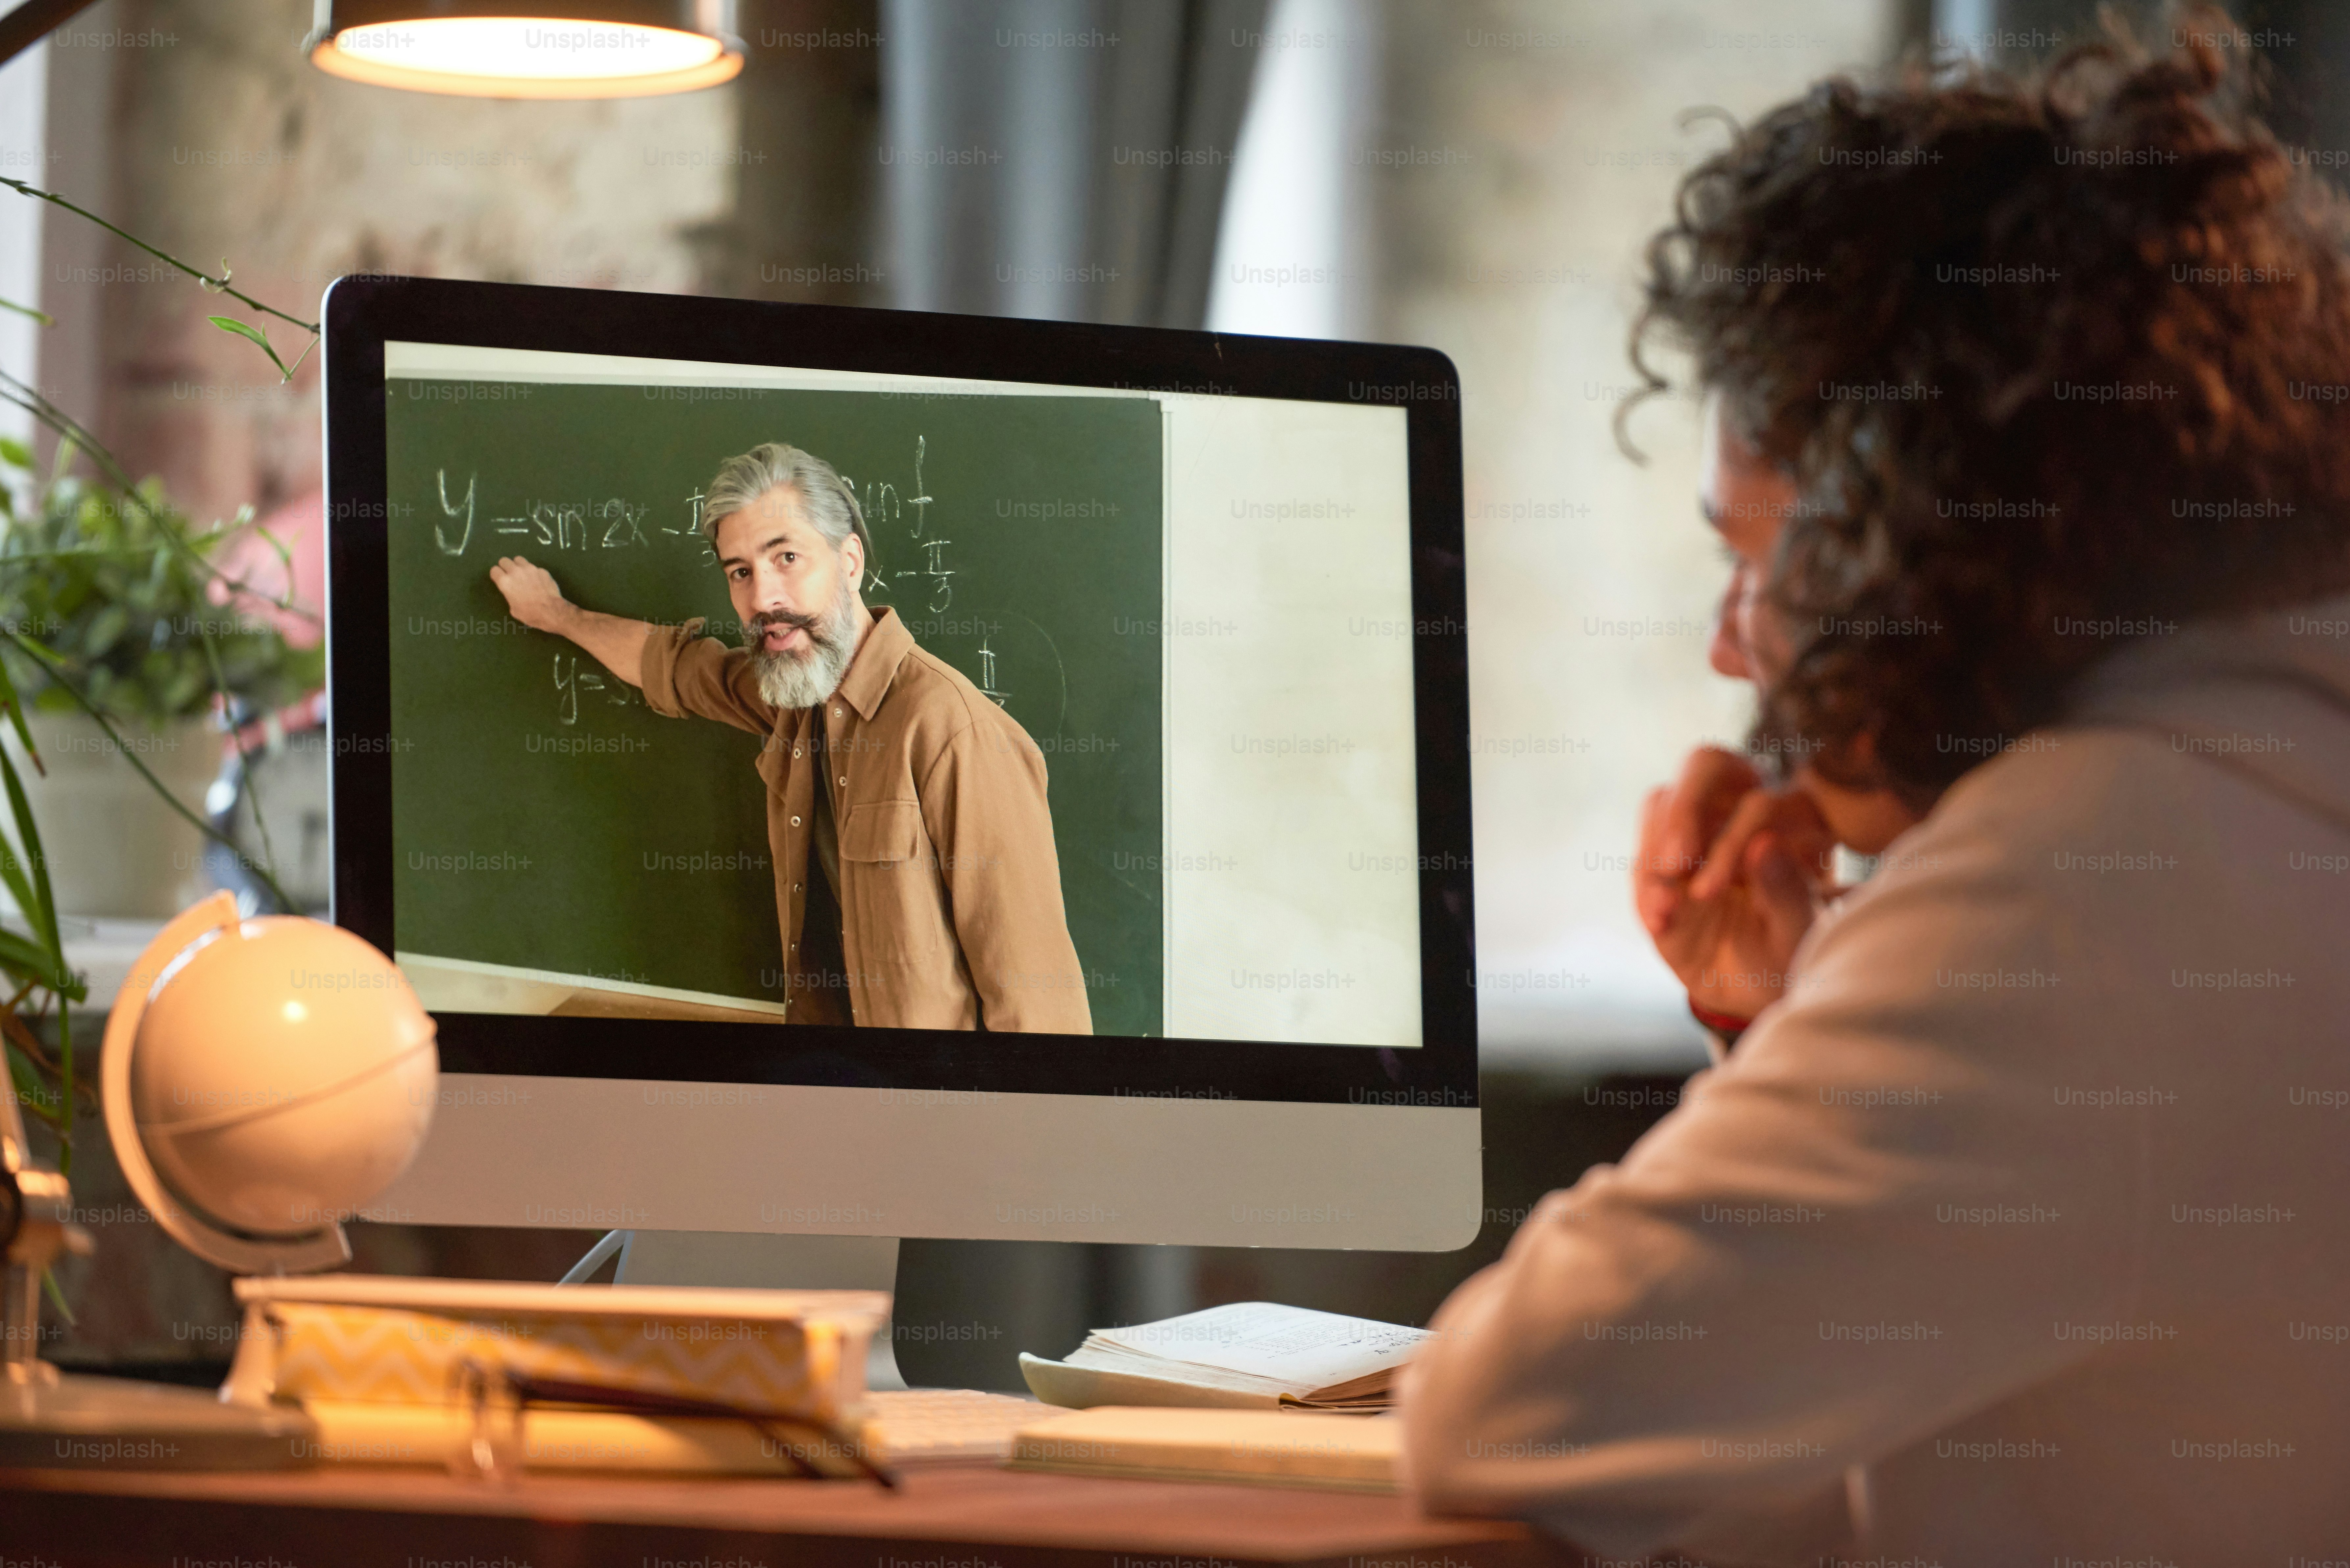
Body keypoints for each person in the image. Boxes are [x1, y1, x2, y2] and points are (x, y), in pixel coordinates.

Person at [1400, 19, 2350, 1564]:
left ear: (1893, 547)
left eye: (1751, 557)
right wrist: (1801, 1028)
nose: (1730, 644)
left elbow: (1510, 1407)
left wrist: (1876, 979)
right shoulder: (2279, 774)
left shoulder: (2077, 878)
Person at [489, 441, 1092, 1033]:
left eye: (787, 559)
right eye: (741, 572)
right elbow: (674, 667)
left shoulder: (952, 733)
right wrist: (558, 616)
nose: (763, 598)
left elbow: (1038, 1004)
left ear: (849, 560)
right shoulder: (797, 697)